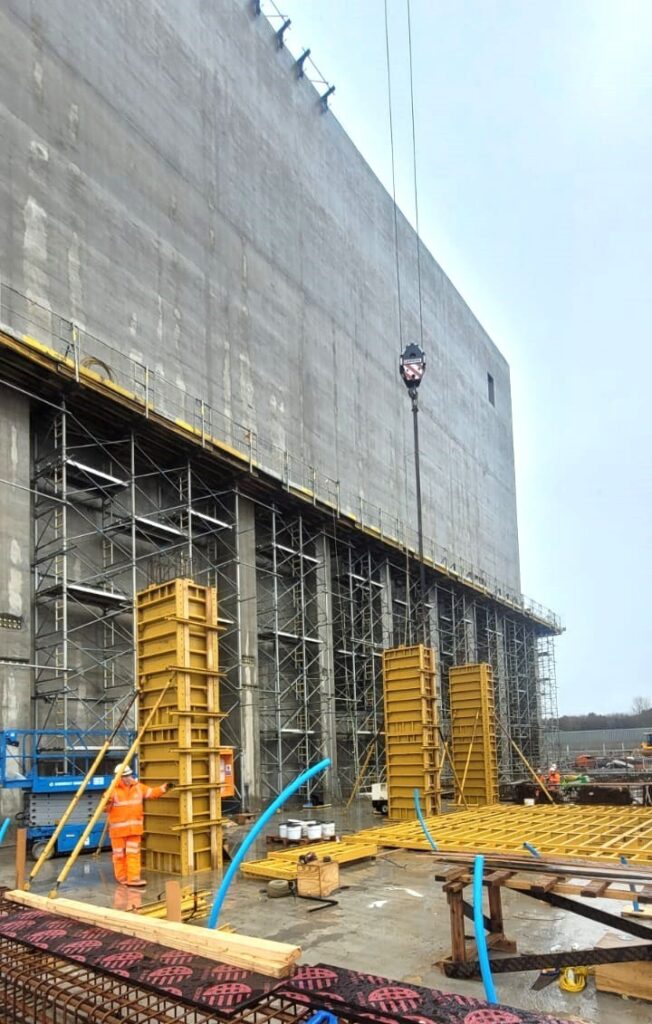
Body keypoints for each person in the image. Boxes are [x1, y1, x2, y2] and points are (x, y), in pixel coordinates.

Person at [106, 764, 169, 887]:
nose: (128, 778)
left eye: (129, 775)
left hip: (134, 831)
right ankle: (122, 878)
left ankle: (133, 879)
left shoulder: (138, 787)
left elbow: (152, 793)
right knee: (119, 856)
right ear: (119, 777)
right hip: (118, 832)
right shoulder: (112, 791)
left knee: (133, 854)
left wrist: (164, 788)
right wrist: (107, 801)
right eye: (125, 776)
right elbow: (105, 808)